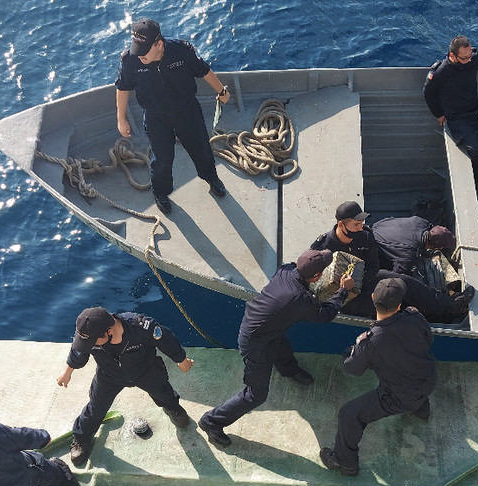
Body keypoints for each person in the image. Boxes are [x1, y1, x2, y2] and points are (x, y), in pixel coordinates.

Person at [199, 249, 354, 448]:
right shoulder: (300, 299)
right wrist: (343, 291)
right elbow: (324, 316)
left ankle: (288, 370)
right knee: (256, 394)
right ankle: (211, 421)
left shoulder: (286, 270)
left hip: (263, 326)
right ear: (316, 276)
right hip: (256, 344)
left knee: (281, 346)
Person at [321, 278, 437, 476]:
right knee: (411, 377)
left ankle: (345, 462)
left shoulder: (369, 343)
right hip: (428, 380)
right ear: (400, 305)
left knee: (349, 414)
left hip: (400, 397)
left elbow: (352, 369)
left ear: (373, 298)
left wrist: (354, 349)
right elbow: (428, 339)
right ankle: (421, 410)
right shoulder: (415, 317)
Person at [114, 18, 230, 214]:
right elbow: (123, 87)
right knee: (162, 159)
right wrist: (121, 119)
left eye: (144, 51)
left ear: (159, 44)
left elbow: (204, 70)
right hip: (156, 116)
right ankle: (161, 192)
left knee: (201, 149)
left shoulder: (182, 51)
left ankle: (211, 178)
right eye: (137, 50)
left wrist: (221, 91)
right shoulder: (131, 60)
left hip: (187, 111)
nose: (139, 56)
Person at [57, 307, 195, 467]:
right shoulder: (89, 335)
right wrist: (67, 372)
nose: (89, 345)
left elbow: (166, 340)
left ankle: (173, 409)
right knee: (96, 408)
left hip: (146, 370)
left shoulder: (142, 327)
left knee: (163, 393)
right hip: (109, 376)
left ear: (108, 331)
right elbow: (78, 352)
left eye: (92, 342)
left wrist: (181, 360)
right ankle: (82, 438)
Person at [309, 201, 473, 321]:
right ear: (341, 224)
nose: (361, 227)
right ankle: (437, 316)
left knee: (402, 283)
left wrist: (364, 278)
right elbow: (311, 277)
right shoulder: (323, 246)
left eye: (361, 223)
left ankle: (448, 305)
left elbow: (373, 265)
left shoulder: (365, 236)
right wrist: (344, 289)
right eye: (356, 224)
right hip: (345, 298)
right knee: (393, 301)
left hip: (364, 277)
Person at [423, 35, 478, 180]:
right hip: (459, 117)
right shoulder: (440, 72)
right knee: (477, 152)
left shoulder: (472, 58)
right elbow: (428, 93)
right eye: (464, 58)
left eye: (470, 55)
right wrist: (438, 114)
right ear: (452, 55)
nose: (469, 60)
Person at [372, 215, 458, 276]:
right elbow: (396, 276)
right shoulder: (409, 255)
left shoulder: (420, 221)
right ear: (438, 248)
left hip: (378, 227)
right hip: (371, 247)